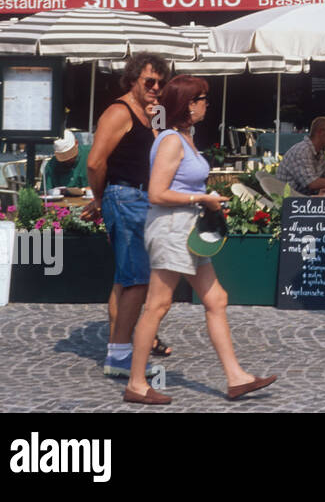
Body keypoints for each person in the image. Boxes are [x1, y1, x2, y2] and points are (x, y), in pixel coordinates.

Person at [124, 76, 276, 405]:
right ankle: (136, 383)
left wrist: (204, 200)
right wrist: (201, 199)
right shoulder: (171, 141)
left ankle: (236, 378)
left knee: (216, 299)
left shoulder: (186, 137)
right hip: (172, 228)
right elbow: (156, 193)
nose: (208, 104)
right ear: (189, 103)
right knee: (157, 306)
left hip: (189, 229)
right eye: (203, 98)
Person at [85, 53, 171, 379]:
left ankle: (118, 345)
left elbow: (159, 153)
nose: (156, 88)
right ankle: (119, 355)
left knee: (126, 277)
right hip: (125, 197)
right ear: (133, 79)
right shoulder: (118, 112)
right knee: (136, 279)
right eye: (150, 82)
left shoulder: (152, 113)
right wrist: (100, 195)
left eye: (161, 83)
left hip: (141, 197)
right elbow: (95, 162)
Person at [276, 116, 325, 195]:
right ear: (320, 132)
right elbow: (313, 184)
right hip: (293, 202)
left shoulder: (319, 152)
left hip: (306, 200)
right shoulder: (302, 151)